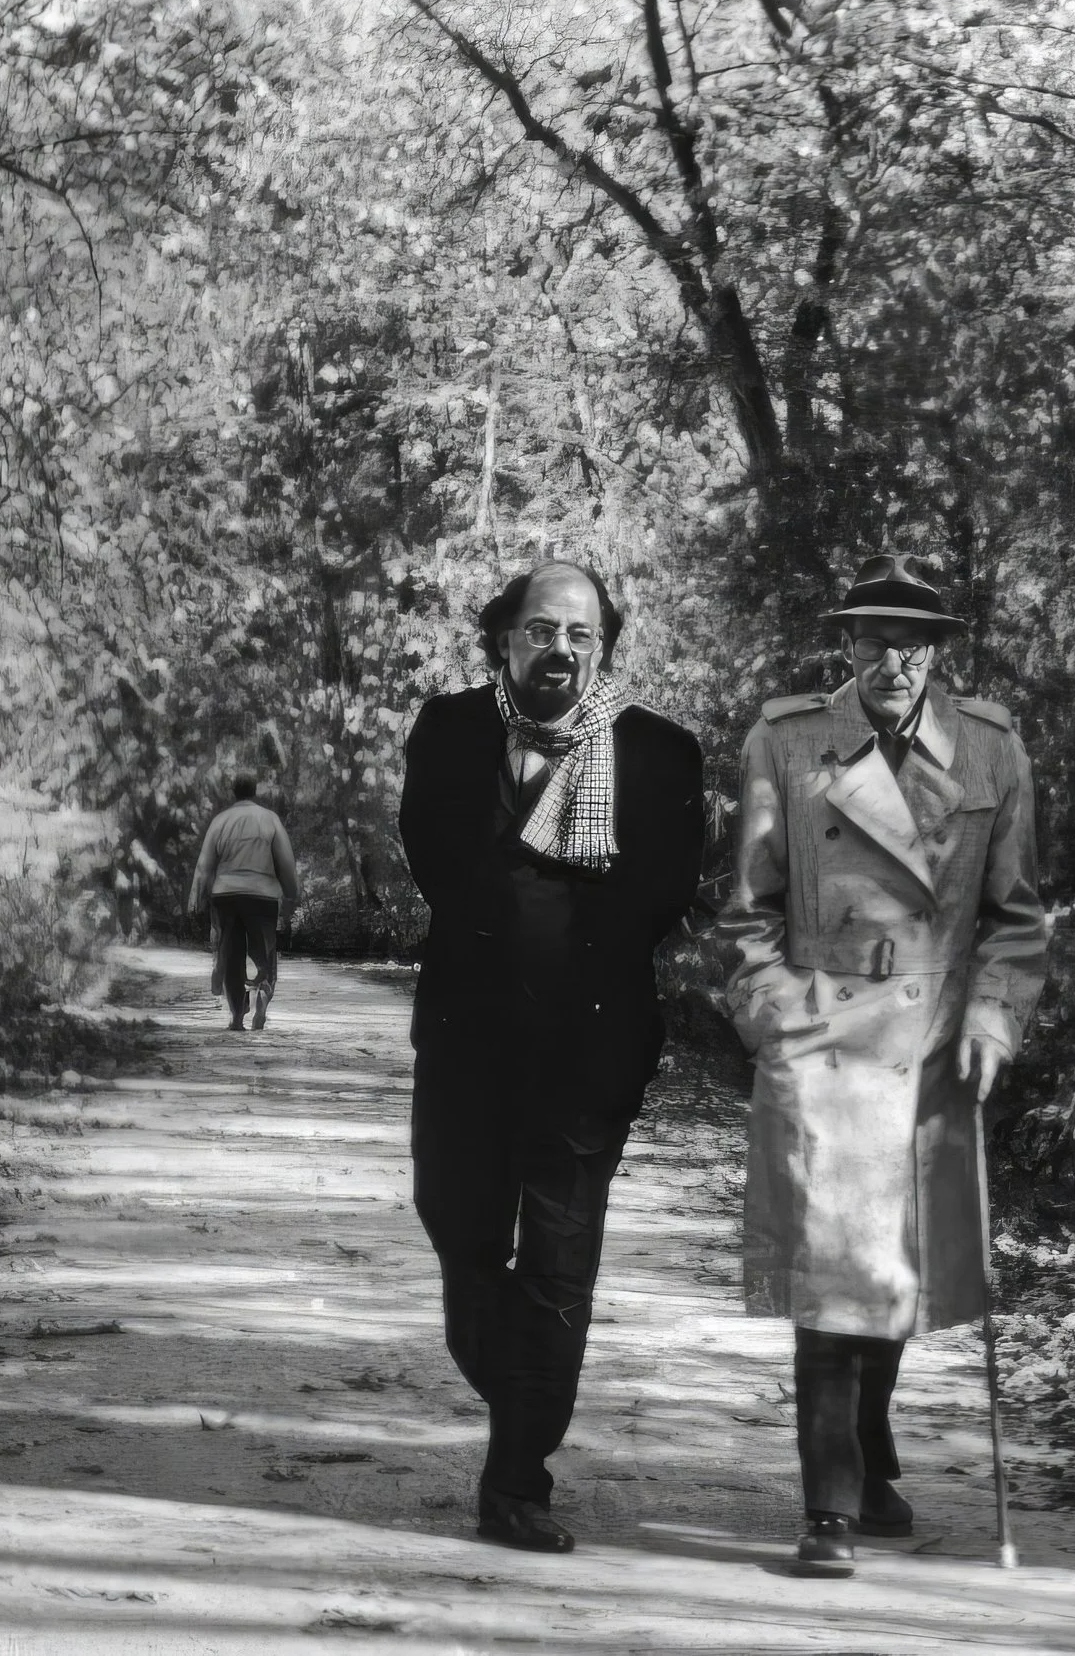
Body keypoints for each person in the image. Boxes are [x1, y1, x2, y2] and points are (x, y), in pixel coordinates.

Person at [720, 553, 1050, 1578]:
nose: (894, 657)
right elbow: (745, 914)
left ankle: (868, 1443)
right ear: (847, 644)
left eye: (915, 640)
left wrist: (994, 1022)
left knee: (892, 1273)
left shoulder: (990, 749)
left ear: (939, 649)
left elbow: (1016, 918)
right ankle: (830, 1508)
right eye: (874, 637)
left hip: (927, 1041)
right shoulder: (787, 740)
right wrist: (777, 1015)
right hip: (823, 1039)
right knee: (831, 1277)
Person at [397, 559, 704, 1555]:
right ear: (503, 638)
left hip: (587, 1051)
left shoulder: (657, 753)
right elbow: (436, 861)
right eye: (541, 629)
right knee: (457, 1228)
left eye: (581, 633)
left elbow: (658, 894)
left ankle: (516, 1476)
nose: (560, 648)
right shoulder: (449, 732)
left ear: (603, 647)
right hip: (466, 1044)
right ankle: (519, 1378)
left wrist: (556, 920)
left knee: (561, 1271)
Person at [188, 777, 301, 1032]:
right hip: (262, 896)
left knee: (231, 954)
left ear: (234, 792)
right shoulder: (270, 819)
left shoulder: (221, 821)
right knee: (265, 951)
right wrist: (292, 892)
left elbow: (204, 866)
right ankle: (263, 991)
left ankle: (237, 1014)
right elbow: (285, 861)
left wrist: (195, 900)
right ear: (255, 791)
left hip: (226, 896)